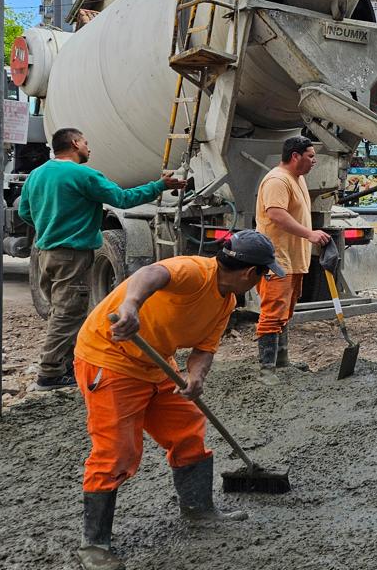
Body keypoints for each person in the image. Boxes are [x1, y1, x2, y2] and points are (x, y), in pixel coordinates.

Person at [71, 230, 281, 570]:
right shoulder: (195, 271)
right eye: (263, 275)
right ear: (248, 274)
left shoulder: (225, 302)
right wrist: (130, 305)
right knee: (118, 451)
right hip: (109, 359)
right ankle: (94, 545)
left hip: (156, 362)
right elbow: (151, 273)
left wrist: (196, 377)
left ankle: (200, 510)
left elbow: (204, 349)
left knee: (187, 431)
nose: (262, 282)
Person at [18, 127, 186, 391]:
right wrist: (160, 186)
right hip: (72, 253)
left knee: (59, 309)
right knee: (68, 312)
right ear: (75, 143)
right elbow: (122, 198)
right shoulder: (84, 174)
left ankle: (68, 366)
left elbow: (24, 211)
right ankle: (49, 373)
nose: (89, 147)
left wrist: (49, 226)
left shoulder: (37, 175)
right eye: (85, 142)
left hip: (46, 252)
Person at [254, 135, 331, 373]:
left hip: (293, 258)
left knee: (284, 311)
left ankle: (282, 362)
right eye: (310, 156)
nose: (314, 161)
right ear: (295, 156)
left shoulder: (297, 179)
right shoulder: (277, 180)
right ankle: (267, 370)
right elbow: (276, 214)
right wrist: (309, 234)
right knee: (272, 313)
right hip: (277, 259)